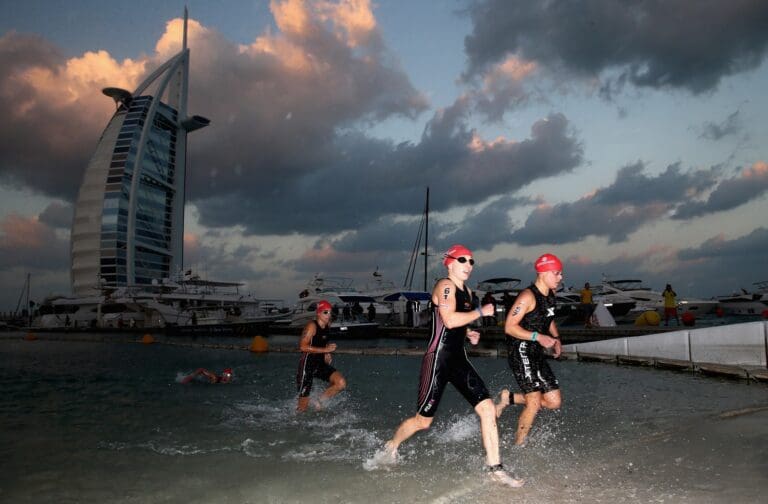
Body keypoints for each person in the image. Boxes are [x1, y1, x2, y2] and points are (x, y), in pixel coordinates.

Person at [380, 244, 523, 487]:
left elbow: (454, 323)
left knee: (487, 408)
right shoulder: (445, 286)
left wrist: (468, 333)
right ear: (449, 263)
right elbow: (447, 318)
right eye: (463, 260)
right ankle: (391, 445)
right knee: (423, 422)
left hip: (458, 359)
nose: (468, 265)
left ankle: (495, 468)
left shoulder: (467, 292)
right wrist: (479, 312)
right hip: (438, 359)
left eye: (471, 261)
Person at [501, 253, 563, 446]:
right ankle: (519, 445)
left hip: (537, 352)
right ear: (543, 273)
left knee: (554, 402)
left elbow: (549, 317)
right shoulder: (527, 297)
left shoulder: (550, 295)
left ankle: (509, 398)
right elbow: (509, 326)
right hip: (521, 351)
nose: (560, 277)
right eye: (557, 273)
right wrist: (538, 336)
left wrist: (557, 339)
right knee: (534, 403)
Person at [296, 300, 347, 412]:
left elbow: (321, 341)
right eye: (325, 312)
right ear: (318, 313)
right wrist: (325, 349)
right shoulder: (311, 326)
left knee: (341, 383)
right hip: (307, 365)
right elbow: (302, 347)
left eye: (329, 312)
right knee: (302, 408)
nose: (328, 315)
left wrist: (326, 352)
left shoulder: (327, 325)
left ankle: (318, 400)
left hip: (320, 364)